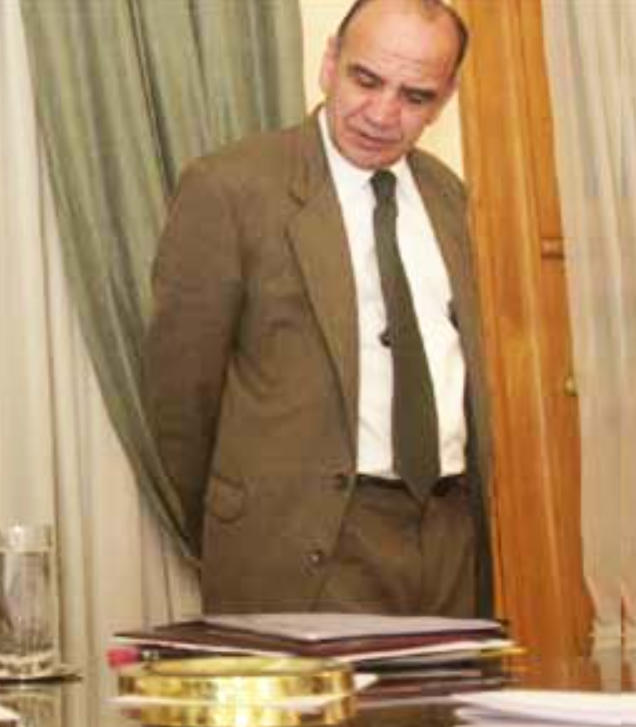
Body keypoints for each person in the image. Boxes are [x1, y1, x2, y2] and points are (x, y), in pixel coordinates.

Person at [145, 0, 493, 618]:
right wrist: (246, 517)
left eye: (414, 96)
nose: (382, 114)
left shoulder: (450, 197)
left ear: (443, 101)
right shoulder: (231, 189)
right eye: (366, 79)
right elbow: (180, 402)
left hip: (448, 538)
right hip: (301, 545)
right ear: (329, 62)